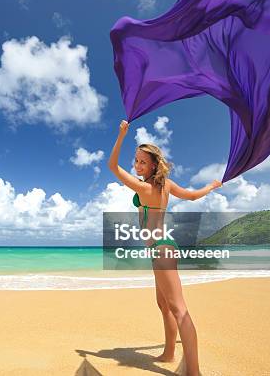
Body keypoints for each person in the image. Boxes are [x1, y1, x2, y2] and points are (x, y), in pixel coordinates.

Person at [107, 120, 221, 376]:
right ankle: (169, 353)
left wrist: (121, 134)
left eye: (142, 162)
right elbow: (191, 196)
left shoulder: (144, 187)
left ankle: (194, 372)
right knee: (163, 304)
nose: (137, 166)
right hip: (163, 247)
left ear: (154, 165)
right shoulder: (166, 185)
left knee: (179, 308)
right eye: (136, 161)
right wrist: (211, 187)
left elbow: (112, 166)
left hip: (161, 248)